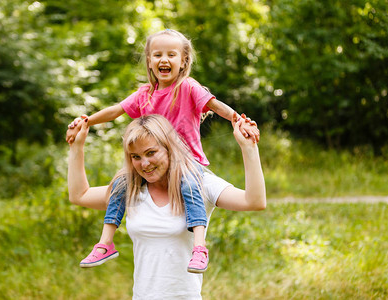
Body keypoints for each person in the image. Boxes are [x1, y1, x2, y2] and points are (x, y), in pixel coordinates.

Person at [66, 29, 260, 272]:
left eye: (171, 54)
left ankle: (199, 247)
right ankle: (105, 243)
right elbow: (116, 110)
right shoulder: (143, 95)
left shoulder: (187, 87)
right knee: (120, 184)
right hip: (155, 169)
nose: (164, 59)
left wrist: (237, 119)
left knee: (190, 188)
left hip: (188, 164)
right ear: (149, 61)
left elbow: (214, 105)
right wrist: (87, 121)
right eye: (157, 54)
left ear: (183, 61)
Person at [68, 114, 266, 299]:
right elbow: (80, 195)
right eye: (136, 157)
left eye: (151, 153)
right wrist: (77, 147)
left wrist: (249, 148)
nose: (144, 164)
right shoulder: (131, 190)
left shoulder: (198, 184)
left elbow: (254, 201)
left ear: (169, 148)